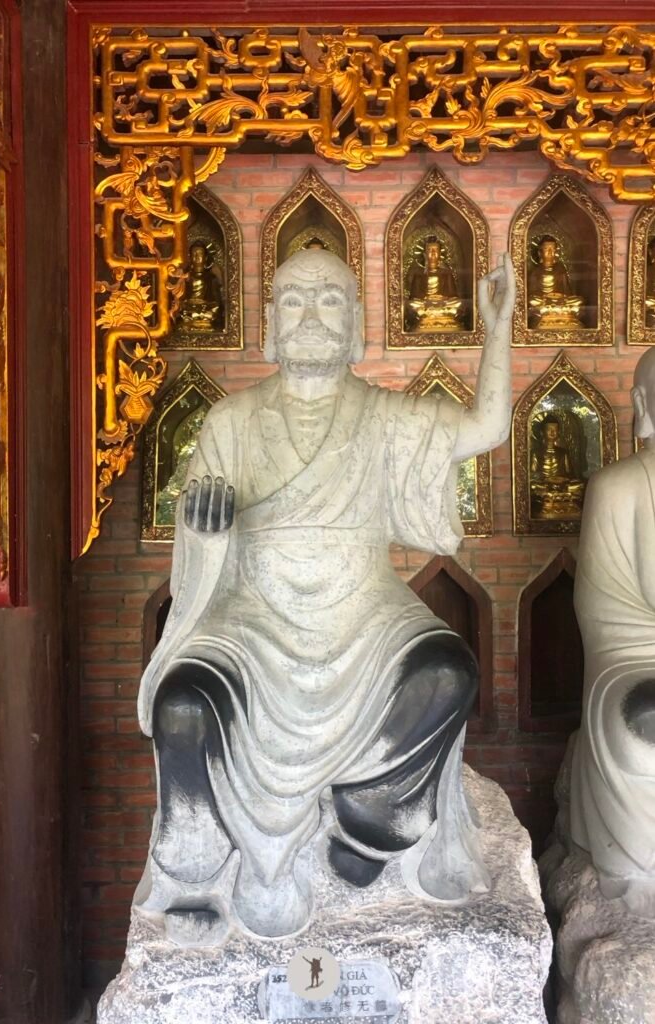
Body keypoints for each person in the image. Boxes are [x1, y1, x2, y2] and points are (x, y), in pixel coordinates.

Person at [136, 247, 515, 940]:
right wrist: (206, 532)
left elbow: (486, 430)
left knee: (446, 672)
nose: (311, 314)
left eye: (330, 299)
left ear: (357, 324)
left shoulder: (386, 415)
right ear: (270, 325)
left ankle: (372, 822)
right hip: (251, 615)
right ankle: (197, 864)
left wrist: (498, 329)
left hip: (366, 610)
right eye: (294, 300)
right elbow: (197, 549)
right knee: (183, 705)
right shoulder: (230, 422)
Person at [571, 347, 655, 917]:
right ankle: (635, 868)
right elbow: (599, 608)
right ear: (644, 405)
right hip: (633, 654)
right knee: (643, 726)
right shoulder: (619, 486)